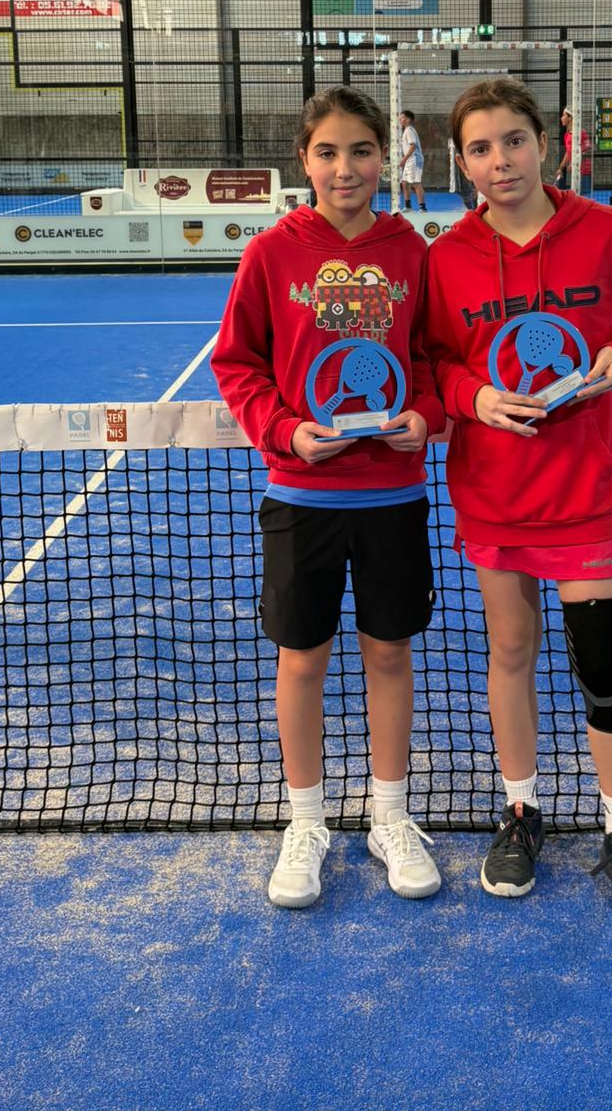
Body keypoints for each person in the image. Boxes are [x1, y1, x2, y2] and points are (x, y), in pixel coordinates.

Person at [424, 78, 612, 926]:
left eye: (514, 140)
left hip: (586, 488)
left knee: (601, 666)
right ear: (462, 163)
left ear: (547, 143)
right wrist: (473, 397)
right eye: (481, 148)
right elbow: (435, 362)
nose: (501, 160)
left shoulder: (609, 232)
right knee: (510, 650)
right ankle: (522, 812)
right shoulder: (446, 257)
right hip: (494, 490)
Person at [211, 85, 445, 909]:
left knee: (389, 654)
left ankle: (390, 815)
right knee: (301, 659)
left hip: (393, 495)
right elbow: (237, 363)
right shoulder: (271, 252)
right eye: (327, 152)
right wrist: (285, 431)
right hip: (301, 495)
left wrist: (427, 414)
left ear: (385, 157)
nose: (345, 168)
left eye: (361, 151)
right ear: (303, 161)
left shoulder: (412, 250)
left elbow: (435, 357)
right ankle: (305, 821)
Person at [553, 106, 593, 196]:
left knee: (583, 198)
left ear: (570, 118)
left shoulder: (581, 133)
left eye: (564, 115)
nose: (561, 118)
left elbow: (586, 152)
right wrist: (561, 168)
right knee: (576, 197)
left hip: (584, 172)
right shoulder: (567, 135)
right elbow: (568, 152)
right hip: (575, 172)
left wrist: (573, 163)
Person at [399, 108, 428, 213]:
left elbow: (413, 146)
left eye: (402, 118)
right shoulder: (406, 131)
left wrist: (403, 160)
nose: (400, 120)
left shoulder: (409, 131)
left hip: (414, 159)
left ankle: (423, 208)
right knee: (404, 183)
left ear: (408, 119)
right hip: (409, 160)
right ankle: (408, 207)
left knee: (416, 183)